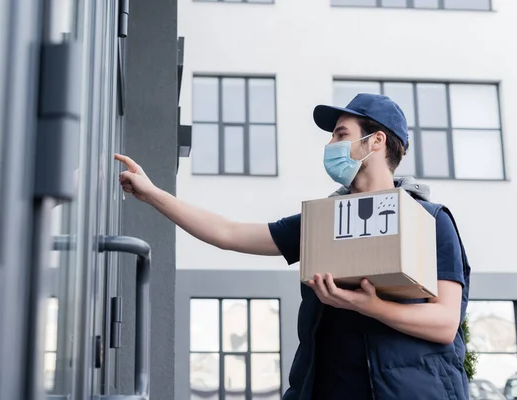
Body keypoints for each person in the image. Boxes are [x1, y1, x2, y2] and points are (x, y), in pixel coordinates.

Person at [115, 93, 471, 400]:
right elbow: (228, 233)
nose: (331, 145)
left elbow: (443, 322)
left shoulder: (429, 221)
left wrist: (369, 305)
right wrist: (152, 194)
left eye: (341, 135)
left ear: (376, 141)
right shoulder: (324, 224)